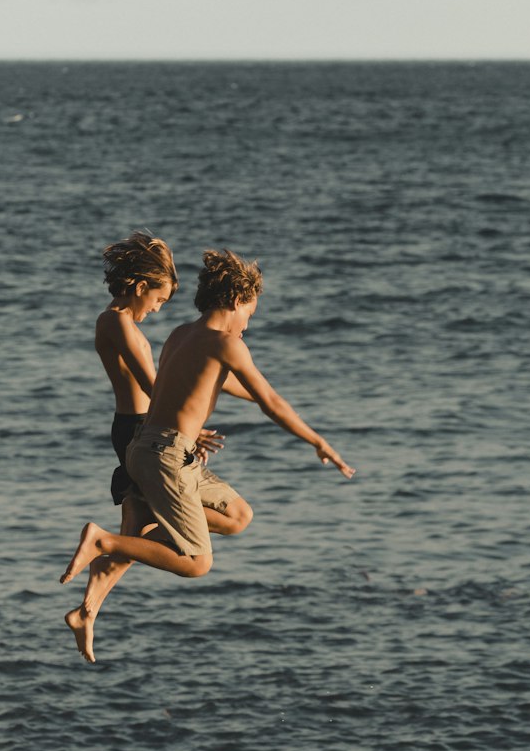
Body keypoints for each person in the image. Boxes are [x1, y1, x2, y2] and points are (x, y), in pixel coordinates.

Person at [61, 248, 353, 598]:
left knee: (238, 516)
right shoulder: (226, 344)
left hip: (155, 448)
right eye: (249, 315)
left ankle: (117, 549)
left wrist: (258, 395)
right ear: (235, 301)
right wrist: (318, 442)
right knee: (198, 562)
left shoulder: (181, 334)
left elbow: (215, 384)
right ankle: (105, 542)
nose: (247, 325)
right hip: (165, 452)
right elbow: (271, 403)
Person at [64, 232, 250, 662]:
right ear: (140, 286)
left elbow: (172, 376)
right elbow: (153, 382)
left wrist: (250, 391)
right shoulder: (113, 321)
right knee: (134, 535)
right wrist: (174, 421)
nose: (158, 309)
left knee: (137, 533)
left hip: (146, 427)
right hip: (139, 429)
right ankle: (91, 594)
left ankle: (88, 611)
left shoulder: (125, 321)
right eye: (159, 300)